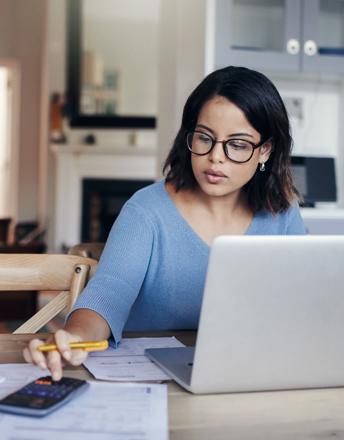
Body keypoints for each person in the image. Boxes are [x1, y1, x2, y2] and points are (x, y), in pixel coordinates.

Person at [24, 66, 306, 380]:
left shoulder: (282, 213)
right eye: (205, 138)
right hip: (149, 379)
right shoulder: (146, 211)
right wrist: (74, 337)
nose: (216, 157)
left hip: (246, 375)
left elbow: (302, 305)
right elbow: (107, 295)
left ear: (265, 149)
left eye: (237, 145)